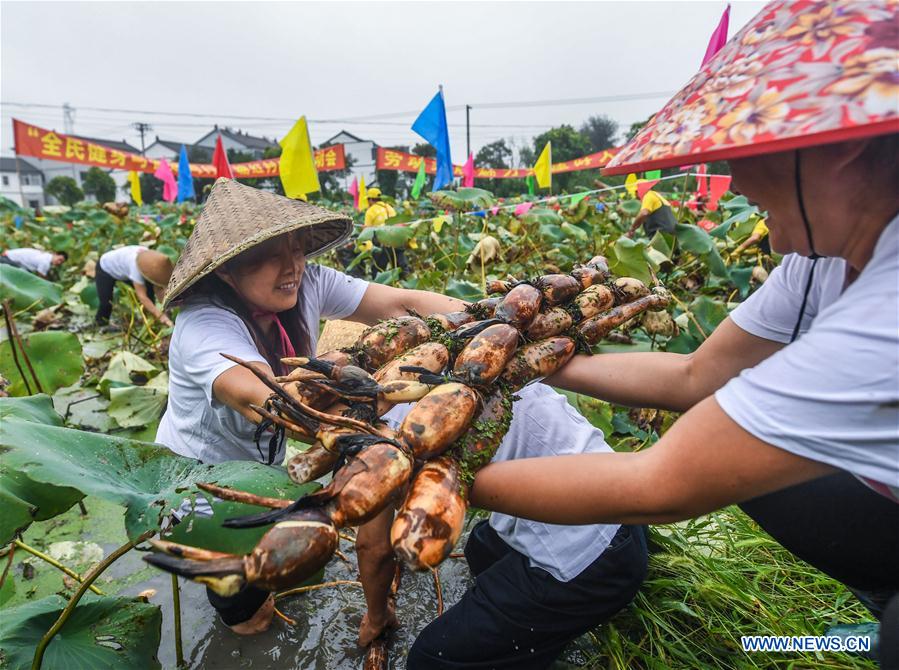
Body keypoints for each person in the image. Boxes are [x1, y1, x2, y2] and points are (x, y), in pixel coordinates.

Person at [470, 3, 899, 664]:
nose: (730, 179)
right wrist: (528, 360)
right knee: (752, 459)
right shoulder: (816, 260)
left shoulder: (887, 308)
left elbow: (656, 485)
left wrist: (443, 472)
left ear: (838, 147)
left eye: (746, 149)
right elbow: (694, 375)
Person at [155, 177, 463, 634]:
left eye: (297, 248)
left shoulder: (306, 281)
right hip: (197, 486)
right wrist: (383, 394)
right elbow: (269, 399)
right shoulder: (203, 325)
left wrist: (480, 316)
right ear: (225, 269)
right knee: (249, 617)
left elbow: (401, 304)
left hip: (262, 470)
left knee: (285, 566)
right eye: (270, 254)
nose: (291, 266)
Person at [377, 384, 647, 669]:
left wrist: (376, 616)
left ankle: (539, 641)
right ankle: (534, 635)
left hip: (598, 562)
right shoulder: (476, 358)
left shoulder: (390, 438)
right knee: (480, 548)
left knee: (430, 659)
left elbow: (374, 547)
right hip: (625, 507)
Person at [94, 245, 174, 327]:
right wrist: (161, 316)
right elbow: (142, 296)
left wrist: (167, 308)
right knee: (106, 303)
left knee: (149, 291)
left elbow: (158, 288)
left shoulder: (152, 261)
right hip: (106, 268)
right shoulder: (135, 267)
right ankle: (100, 324)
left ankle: (148, 319)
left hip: (124, 266)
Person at [364, 187, 411, 277]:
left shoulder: (371, 210)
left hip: (384, 241)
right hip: (397, 238)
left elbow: (366, 231)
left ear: (370, 199)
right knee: (400, 266)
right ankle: (404, 282)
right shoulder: (389, 207)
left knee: (378, 269)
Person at [1, 247, 66, 278]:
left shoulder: (46, 255)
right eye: (59, 259)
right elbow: (40, 278)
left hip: (9, 254)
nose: (59, 262)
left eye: (61, 262)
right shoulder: (46, 261)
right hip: (9, 259)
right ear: (55, 254)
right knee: (23, 275)